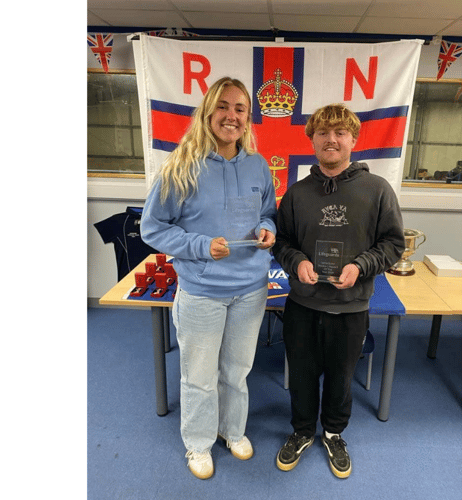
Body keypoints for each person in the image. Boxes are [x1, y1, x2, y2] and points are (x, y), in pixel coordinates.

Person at [140, 77, 277, 480]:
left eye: (240, 109)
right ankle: (198, 444)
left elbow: (268, 211)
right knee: (199, 375)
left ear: (248, 119)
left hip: (250, 290)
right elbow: (153, 228)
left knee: (236, 370)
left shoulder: (257, 164)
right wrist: (200, 245)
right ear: (207, 112)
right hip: (202, 292)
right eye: (224, 106)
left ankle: (232, 430)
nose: (231, 116)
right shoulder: (180, 165)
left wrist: (268, 227)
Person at [272, 103, 405, 479]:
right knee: (300, 375)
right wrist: (296, 261)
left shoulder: (378, 191)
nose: (331, 139)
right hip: (302, 305)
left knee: (341, 377)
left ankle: (333, 433)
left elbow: (393, 245)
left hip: (350, 308)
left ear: (353, 139)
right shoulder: (297, 193)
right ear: (312, 139)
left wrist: (360, 266)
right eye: (323, 133)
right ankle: (301, 431)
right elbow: (281, 242)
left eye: (340, 133)